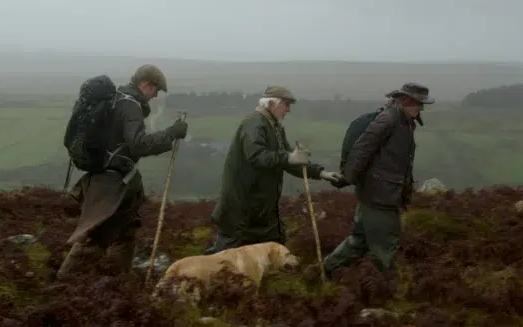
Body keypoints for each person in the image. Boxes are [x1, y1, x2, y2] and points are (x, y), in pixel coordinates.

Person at [56, 64, 189, 279]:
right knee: (96, 236)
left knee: (127, 230)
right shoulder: (130, 106)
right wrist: (171, 133)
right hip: (112, 183)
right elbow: (139, 145)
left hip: (117, 179)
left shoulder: (118, 99)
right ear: (146, 85)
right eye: (156, 90)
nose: (155, 96)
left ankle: (116, 282)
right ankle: (63, 284)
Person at [313, 82, 434, 281]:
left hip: (378, 193)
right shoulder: (389, 119)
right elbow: (363, 148)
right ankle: (385, 289)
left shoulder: (403, 120)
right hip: (380, 196)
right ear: (405, 101)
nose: (421, 108)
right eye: (419, 104)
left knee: (359, 240)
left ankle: (324, 271)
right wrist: (347, 177)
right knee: (385, 246)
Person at [203, 85, 343, 255]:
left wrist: (321, 173)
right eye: (286, 104)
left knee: (272, 248)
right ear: (271, 104)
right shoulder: (254, 123)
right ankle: (195, 270)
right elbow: (257, 156)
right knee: (226, 254)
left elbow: (288, 161)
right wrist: (289, 157)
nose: (289, 109)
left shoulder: (274, 127)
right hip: (242, 205)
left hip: (262, 207)